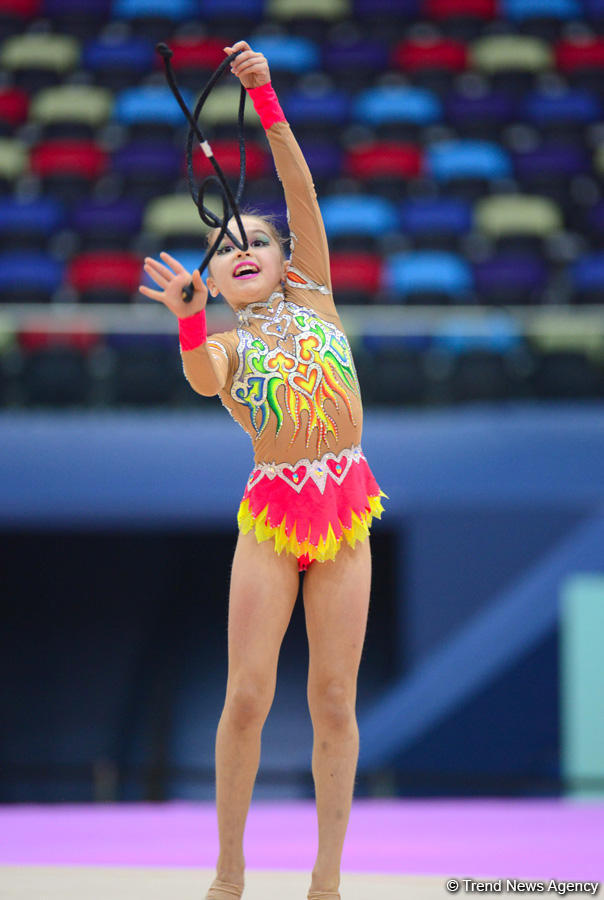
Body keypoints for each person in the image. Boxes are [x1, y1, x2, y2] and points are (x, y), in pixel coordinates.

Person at [139, 40, 387, 900]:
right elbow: (202, 378)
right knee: (247, 695)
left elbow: (299, 190)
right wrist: (188, 323)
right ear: (214, 276)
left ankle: (327, 877)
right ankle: (230, 869)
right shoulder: (229, 342)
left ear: (286, 258)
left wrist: (268, 98)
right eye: (224, 248)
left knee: (331, 699)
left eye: (256, 240)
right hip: (276, 518)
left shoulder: (315, 291)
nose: (240, 249)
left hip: (345, 510)